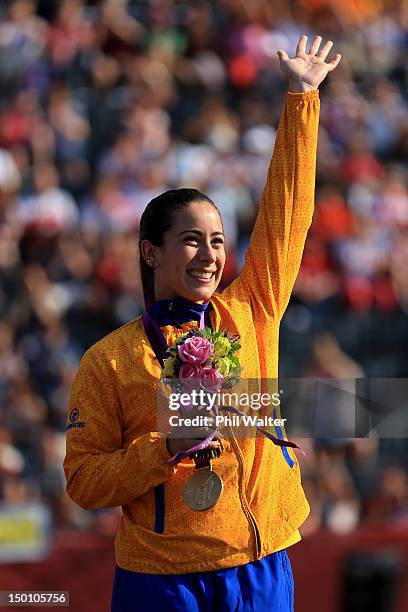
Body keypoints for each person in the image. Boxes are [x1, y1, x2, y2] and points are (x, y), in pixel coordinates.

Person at [64, 35, 341, 612]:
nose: (209, 256)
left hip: (262, 563)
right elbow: (84, 483)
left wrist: (301, 100)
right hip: (163, 579)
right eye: (191, 241)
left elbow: (287, 218)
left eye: (217, 241)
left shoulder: (252, 310)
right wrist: (163, 448)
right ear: (151, 253)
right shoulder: (110, 360)